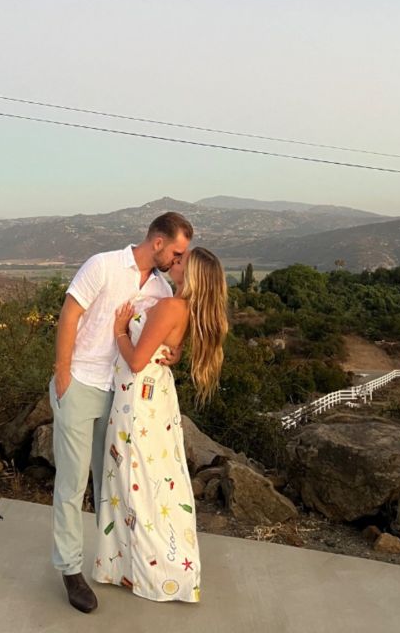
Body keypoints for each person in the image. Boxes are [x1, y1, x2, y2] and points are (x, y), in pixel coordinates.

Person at [51, 212, 193, 613]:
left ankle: (111, 561)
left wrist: (177, 351)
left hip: (121, 396)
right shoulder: (103, 265)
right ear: (159, 242)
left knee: (110, 484)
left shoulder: (161, 288)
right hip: (80, 384)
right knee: (72, 484)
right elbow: (69, 315)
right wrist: (63, 374)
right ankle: (70, 570)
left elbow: (160, 334)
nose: (179, 260)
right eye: (177, 252)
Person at [92, 246, 228, 603]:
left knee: (133, 481)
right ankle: (137, 567)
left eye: (181, 261)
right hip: (154, 400)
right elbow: (159, 348)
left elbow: (137, 361)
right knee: (153, 480)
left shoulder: (170, 306)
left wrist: (120, 331)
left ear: (191, 274)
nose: (174, 262)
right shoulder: (181, 307)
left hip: (137, 401)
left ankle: (147, 572)